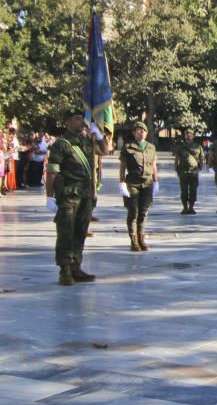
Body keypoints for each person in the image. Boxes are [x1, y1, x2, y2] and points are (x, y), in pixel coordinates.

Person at [45, 110, 111, 285]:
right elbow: (52, 171)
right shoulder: (62, 144)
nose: (82, 122)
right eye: (77, 119)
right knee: (66, 233)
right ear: (67, 123)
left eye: (82, 118)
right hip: (68, 195)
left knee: (80, 232)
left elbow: (105, 150)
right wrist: (49, 197)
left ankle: (76, 266)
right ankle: (64, 270)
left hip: (86, 195)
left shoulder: (87, 141)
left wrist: (99, 135)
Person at [118, 121, 159, 251]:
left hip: (147, 183)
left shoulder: (151, 147)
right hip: (132, 182)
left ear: (146, 133)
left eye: (144, 131)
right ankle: (133, 240)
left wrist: (156, 181)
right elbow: (123, 166)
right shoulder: (128, 146)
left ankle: (141, 239)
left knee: (143, 212)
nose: (141, 132)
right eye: (139, 130)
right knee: (133, 211)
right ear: (134, 133)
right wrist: (122, 182)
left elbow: (153, 165)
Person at [173, 129, 204, 214]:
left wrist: (200, 168)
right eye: (187, 134)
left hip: (194, 171)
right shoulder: (180, 147)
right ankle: (185, 207)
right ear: (185, 136)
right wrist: (176, 169)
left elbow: (201, 158)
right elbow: (176, 159)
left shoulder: (198, 146)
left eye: (190, 134)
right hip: (183, 172)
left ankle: (191, 207)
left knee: (193, 190)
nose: (188, 136)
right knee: (184, 191)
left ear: (193, 136)